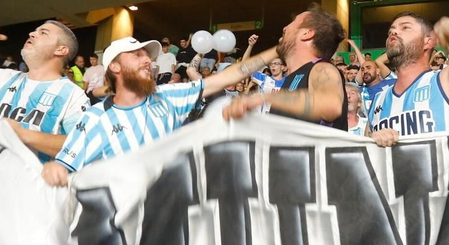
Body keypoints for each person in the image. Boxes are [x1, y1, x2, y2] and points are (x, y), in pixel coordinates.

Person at [26, 36, 275, 180]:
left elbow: (225, 78)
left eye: (147, 55)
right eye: (137, 55)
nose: (148, 60)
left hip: (169, 225)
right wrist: (52, 170)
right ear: (115, 67)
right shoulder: (94, 119)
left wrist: (275, 51)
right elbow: (64, 167)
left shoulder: (167, 97)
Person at [350, 11, 449, 143]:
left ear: (428, 41)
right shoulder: (378, 100)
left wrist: (448, 25)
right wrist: (374, 140)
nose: (393, 31)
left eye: (405, 27)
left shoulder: (446, 81)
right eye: (390, 31)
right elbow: (366, 150)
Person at [0, 19, 90, 142]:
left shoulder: (73, 96)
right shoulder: (3, 78)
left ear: (61, 50)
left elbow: (79, 145)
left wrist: (22, 134)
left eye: (43, 33)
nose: (31, 33)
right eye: (34, 31)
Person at [223, 11, 350, 128]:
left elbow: (331, 106)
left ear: (307, 34)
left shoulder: (322, 69)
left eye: (294, 22)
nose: (285, 28)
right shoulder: (290, 78)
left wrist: (263, 98)